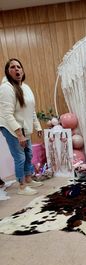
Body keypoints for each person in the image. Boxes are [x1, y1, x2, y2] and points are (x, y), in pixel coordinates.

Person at [0, 58, 43, 196]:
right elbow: (7, 114)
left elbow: (32, 110)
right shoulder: (6, 88)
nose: (16, 69)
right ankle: (22, 186)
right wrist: (19, 134)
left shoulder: (26, 87)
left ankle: (29, 179)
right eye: (12, 67)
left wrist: (38, 127)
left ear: (22, 70)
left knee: (28, 154)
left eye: (18, 66)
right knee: (20, 157)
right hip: (11, 127)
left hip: (24, 126)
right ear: (7, 71)